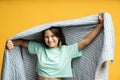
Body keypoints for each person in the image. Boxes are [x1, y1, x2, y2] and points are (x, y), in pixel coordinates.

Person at [6, 12, 104, 80]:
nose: (50, 39)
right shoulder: (40, 48)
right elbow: (22, 42)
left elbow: (85, 41)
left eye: (53, 36)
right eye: (46, 37)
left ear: (59, 37)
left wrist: (100, 26)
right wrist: (12, 42)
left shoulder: (66, 51)